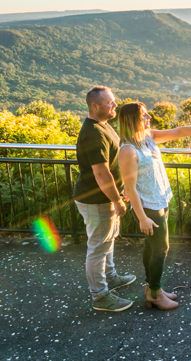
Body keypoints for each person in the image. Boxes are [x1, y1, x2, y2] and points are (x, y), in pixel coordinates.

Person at [117, 101, 191, 309]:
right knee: (161, 249)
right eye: (144, 115)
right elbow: (130, 187)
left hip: (160, 199)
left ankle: (152, 288)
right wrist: (142, 217)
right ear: (132, 119)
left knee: (152, 248)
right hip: (148, 206)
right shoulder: (128, 150)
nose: (148, 117)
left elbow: (179, 131)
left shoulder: (147, 138)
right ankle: (155, 294)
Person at [73, 86, 135, 312]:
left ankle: (111, 277)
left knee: (108, 240)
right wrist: (117, 201)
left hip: (106, 197)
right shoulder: (94, 133)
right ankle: (100, 296)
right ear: (94, 106)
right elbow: (101, 173)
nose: (114, 106)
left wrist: (121, 191)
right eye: (110, 103)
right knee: (98, 247)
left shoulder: (103, 125)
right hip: (96, 200)